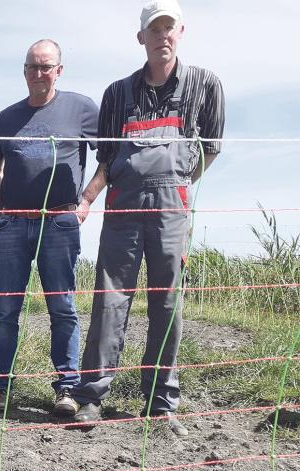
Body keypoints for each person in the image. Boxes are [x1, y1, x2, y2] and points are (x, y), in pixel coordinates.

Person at [72, 0, 225, 435]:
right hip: (122, 204)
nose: (162, 36)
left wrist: (178, 185)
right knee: (109, 297)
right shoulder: (117, 94)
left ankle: (161, 403)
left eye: (169, 28)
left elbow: (210, 148)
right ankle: (91, 396)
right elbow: (106, 157)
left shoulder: (205, 85)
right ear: (141, 38)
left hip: (171, 208)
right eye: (153, 30)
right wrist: (87, 199)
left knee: (167, 300)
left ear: (181, 32)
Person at [0, 39, 98, 417]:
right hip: (14, 225)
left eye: (46, 66)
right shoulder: (5, 118)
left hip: (60, 222)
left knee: (63, 307)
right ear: (24, 71)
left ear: (59, 70)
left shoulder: (81, 109)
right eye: (33, 66)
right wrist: (2, 205)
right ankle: (0, 387)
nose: (39, 73)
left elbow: (111, 155)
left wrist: (86, 201)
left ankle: (67, 388)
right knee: (5, 309)